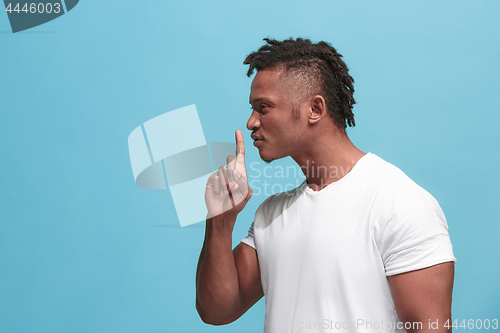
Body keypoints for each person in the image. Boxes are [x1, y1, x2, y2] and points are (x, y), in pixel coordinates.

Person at [195, 37, 456, 333]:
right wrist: (219, 221)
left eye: (263, 107)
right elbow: (217, 310)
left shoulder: (398, 202)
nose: (251, 122)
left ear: (315, 109)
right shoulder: (271, 214)